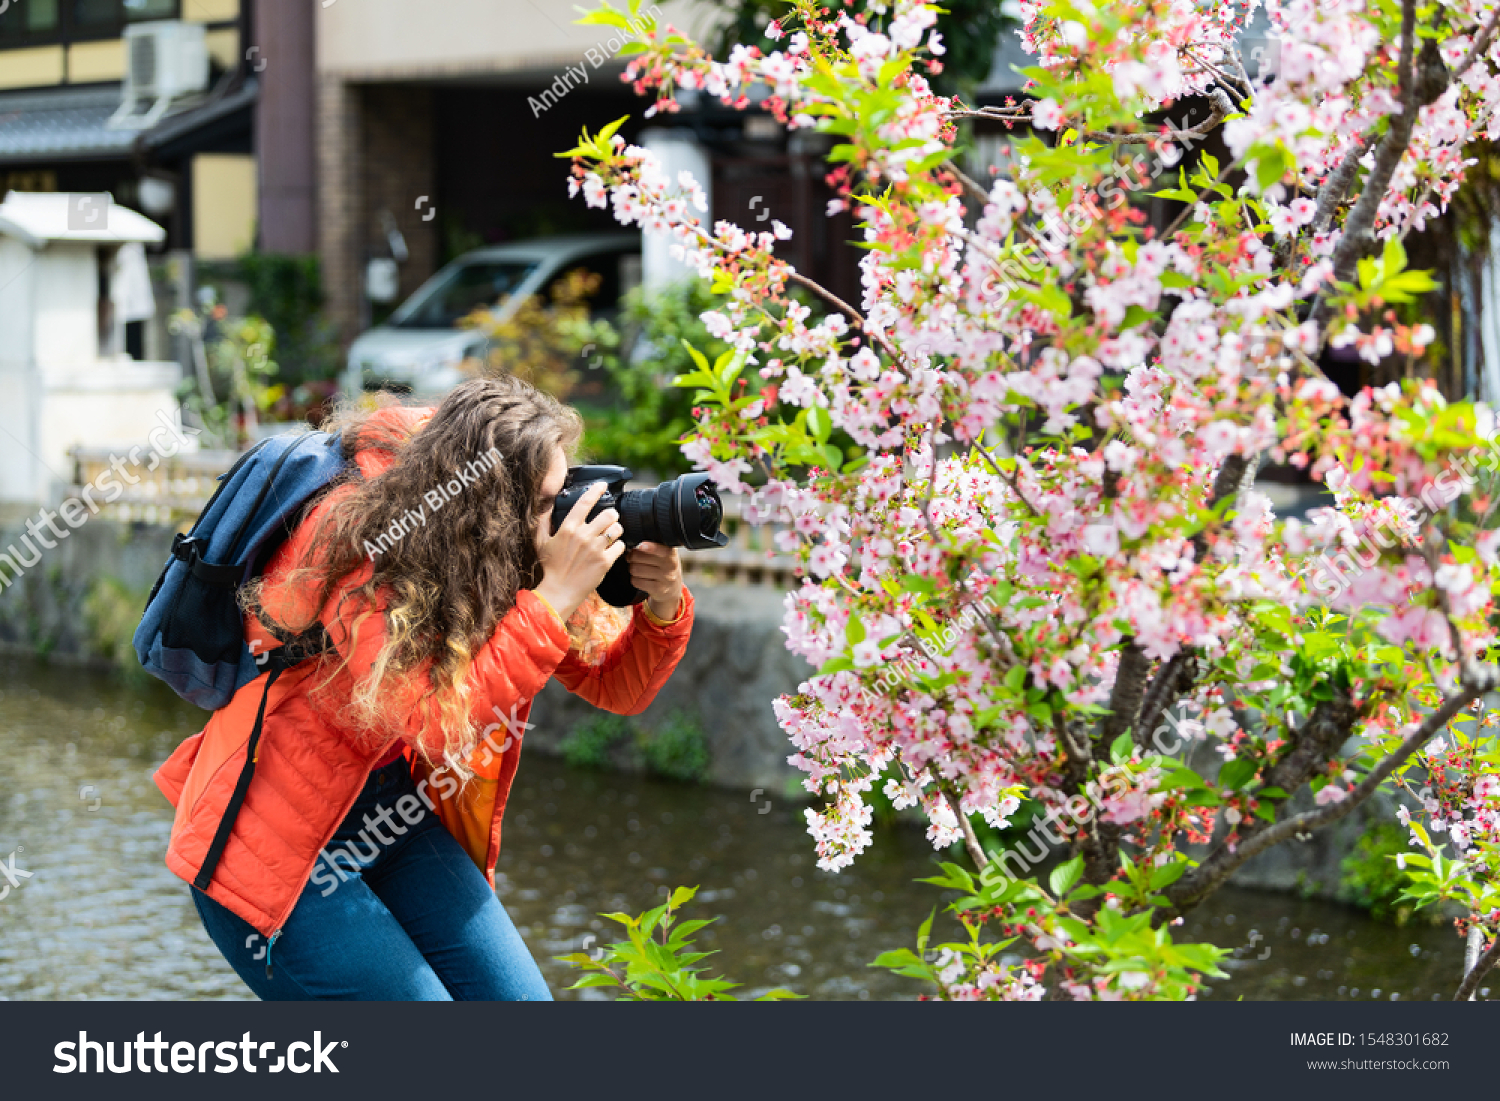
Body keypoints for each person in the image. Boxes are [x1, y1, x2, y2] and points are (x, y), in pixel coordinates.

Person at [152, 376, 695, 1000]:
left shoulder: (496, 552)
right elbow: (435, 722)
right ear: (487, 505)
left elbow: (615, 688)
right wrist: (553, 597)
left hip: (389, 812)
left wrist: (661, 602)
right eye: (548, 500)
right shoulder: (356, 548)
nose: (564, 513)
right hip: (271, 847)